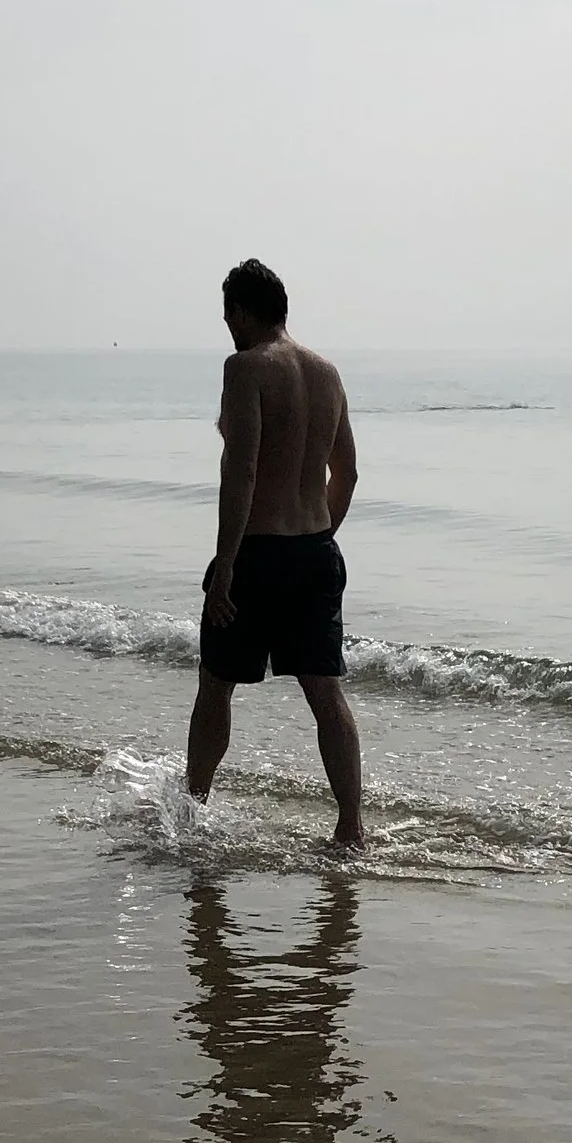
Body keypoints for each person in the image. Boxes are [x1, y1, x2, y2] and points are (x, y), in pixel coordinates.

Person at [185, 258, 364, 850]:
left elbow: (241, 471)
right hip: (315, 553)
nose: (228, 331)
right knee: (325, 694)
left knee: (216, 686)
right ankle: (351, 828)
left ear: (240, 312)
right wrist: (321, 536)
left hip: (258, 554)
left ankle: (191, 812)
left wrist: (225, 567)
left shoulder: (245, 368)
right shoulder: (327, 373)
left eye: (228, 319)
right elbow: (347, 472)